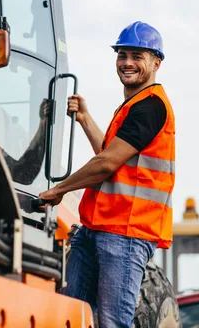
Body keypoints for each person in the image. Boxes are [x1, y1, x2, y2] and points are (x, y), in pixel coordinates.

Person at [39, 21, 175, 328]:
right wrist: (85, 120)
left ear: (156, 62)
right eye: (122, 54)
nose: (127, 62)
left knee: (112, 322)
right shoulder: (131, 106)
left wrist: (59, 189)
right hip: (98, 227)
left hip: (126, 233)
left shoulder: (151, 106)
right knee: (73, 316)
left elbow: (106, 164)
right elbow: (110, 153)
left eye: (137, 56)